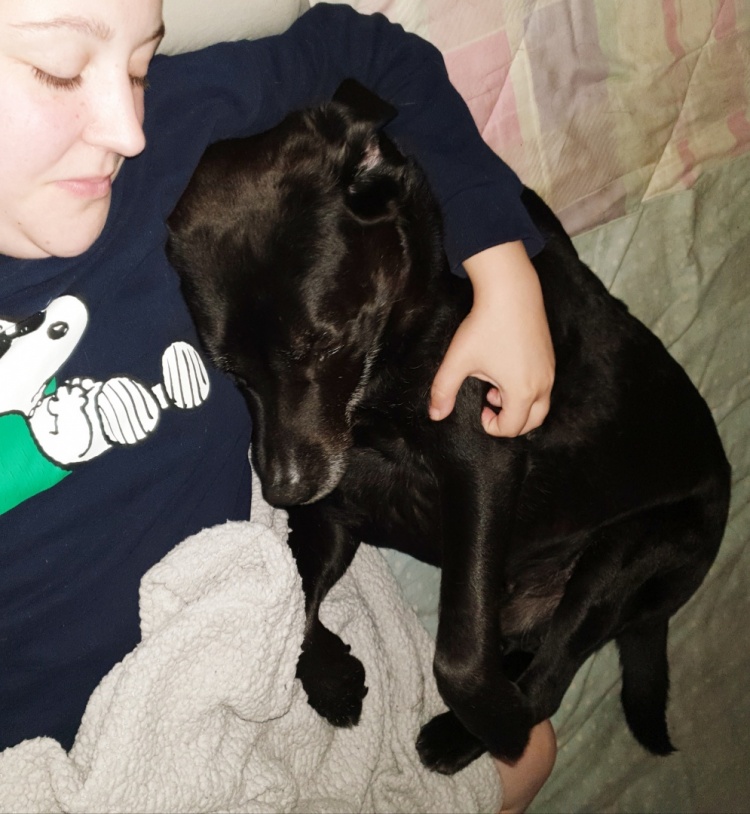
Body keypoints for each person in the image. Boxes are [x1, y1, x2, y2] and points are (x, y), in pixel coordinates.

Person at [0, 0, 555, 808]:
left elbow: (372, 53)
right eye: (59, 71)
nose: (127, 128)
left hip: (258, 632)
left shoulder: (167, 129)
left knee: (528, 749)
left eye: (139, 65)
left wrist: (503, 268)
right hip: (61, 752)